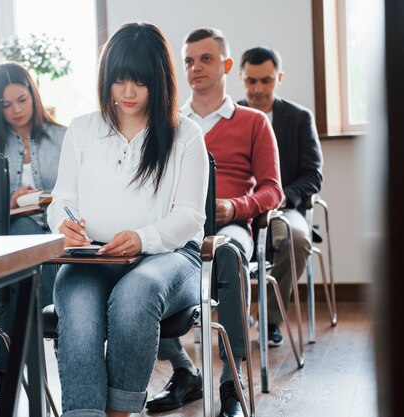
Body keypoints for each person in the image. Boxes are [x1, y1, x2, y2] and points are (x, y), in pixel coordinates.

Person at [46, 22, 209, 417]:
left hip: (170, 259)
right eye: (119, 82)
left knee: (135, 294)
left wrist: (142, 237)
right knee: (78, 305)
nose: (129, 93)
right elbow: (61, 199)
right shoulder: (83, 129)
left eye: (140, 82)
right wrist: (62, 224)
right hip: (95, 256)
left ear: (160, 80)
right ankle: (82, 413)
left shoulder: (186, 135)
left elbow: (190, 216)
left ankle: (120, 412)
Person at [146, 28, 282, 417]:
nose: (195, 68)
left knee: (230, 254)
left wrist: (235, 207)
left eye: (205, 59)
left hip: (229, 224)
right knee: (142, 274)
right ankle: (185, 372)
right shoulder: (168, 123)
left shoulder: (254, 122)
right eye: (188, 61)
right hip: (178, 227)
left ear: (225, 65)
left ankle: (231, 383)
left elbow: (273, 190)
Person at [0, 62, 66, 407]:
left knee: (39, 260)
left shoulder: (63, 136)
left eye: (22, 100)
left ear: (34, 94)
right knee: (31, 249)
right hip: (11, 238)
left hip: (59, 229)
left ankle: (0, 372)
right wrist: (7, 201)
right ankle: (64, 338)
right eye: (5, 105)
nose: (16, 111)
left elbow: (79, 191)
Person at [237, 46, 323, 346]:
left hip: (282, 208)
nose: (258, 89)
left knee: (297, 240)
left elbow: (313, 175)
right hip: (239, 209)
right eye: (251, 81)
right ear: (240, 78)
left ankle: (270, 318)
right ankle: (235, 313)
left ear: (279, 78)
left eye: (266, 81)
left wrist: (283, 198)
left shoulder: (299, 118)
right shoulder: (230, 115)